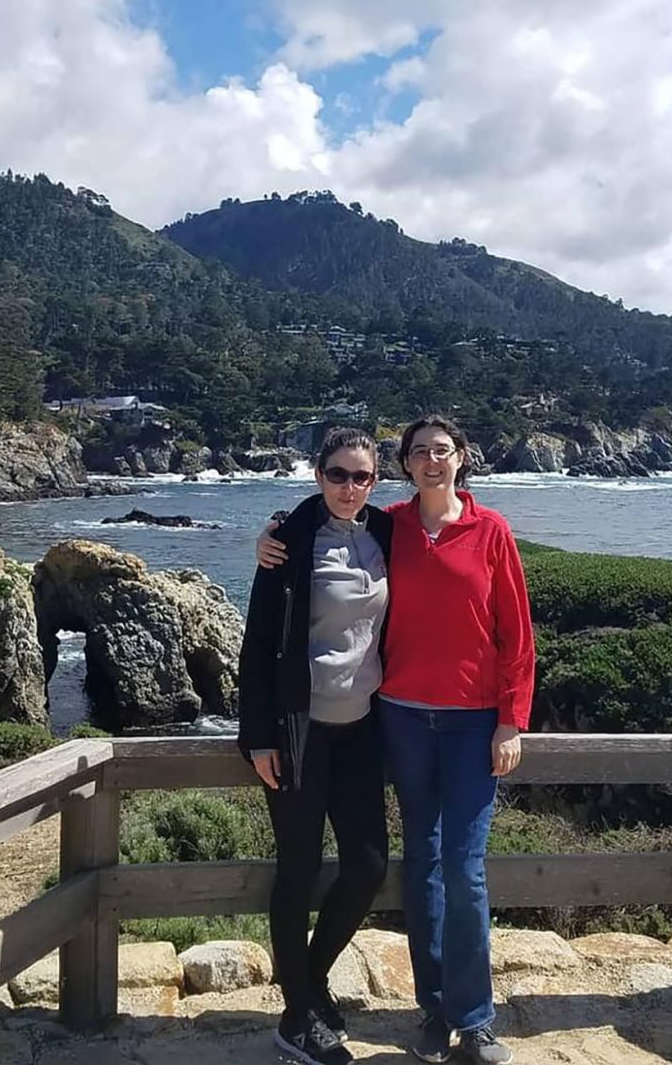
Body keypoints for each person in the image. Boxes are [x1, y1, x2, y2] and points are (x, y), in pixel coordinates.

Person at [258, 416, 535, 1065]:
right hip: (384, 721)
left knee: (446, 868)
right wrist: (272, 534)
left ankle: (471, 1018)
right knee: (411, 865)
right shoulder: (386, 527)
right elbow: (323, 513)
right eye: (420, 453)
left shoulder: (474, 530)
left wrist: (511, 718)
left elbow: (517, 635)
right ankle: (414, 1010)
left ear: (461, 459)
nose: (432, 461)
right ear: (406, 466)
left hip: (444, 725)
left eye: (443, 451)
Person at [238, 427, 392, 1065]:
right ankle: (297, 1016)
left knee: (368, 865)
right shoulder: (289, 543)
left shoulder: (387, 534)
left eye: (360, 476)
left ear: (375, 481)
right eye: (337, 474)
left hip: (362, 731)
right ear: (317, 474)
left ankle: (311, 979)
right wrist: (257, 738)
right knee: (298, 871)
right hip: (299, 732)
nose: (348, 487)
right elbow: (257, 646)